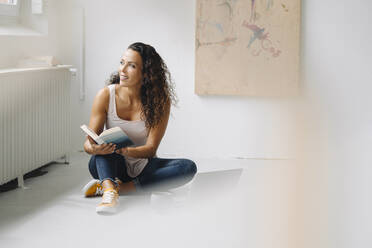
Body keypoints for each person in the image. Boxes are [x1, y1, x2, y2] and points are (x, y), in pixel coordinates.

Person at [82, 42, 197, 214]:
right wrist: (95, 147)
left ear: (146, 73)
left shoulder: (160, 101)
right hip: (112, 164)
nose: (123, 70)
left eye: (132, 66)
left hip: (143, 165)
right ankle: (110, 192)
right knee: (100, 156)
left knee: (187, 168)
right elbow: (88, 144)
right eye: (122, 63)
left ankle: (113, 188)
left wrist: (126, 151)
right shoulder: (106, 95)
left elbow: (151, 149)